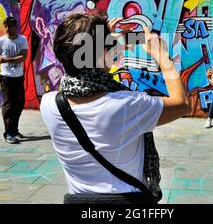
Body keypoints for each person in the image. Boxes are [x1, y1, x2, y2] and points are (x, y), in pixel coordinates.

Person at [40, 13, 190, 203]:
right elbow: (183, 103)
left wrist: (105, 45)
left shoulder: (49, 104)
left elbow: (84, 67)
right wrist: (162, 56)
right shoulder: (127, 105)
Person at [29, 0, 87, 94]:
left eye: (83, 21)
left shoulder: (87, 60)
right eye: (67, 23)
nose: (79, 29)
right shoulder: (35, 73)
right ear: (41, 27)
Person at [0, 17, 29, 144]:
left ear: (15, 27)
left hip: (18, 77)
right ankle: (8, 133)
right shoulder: (1, 41)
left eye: (10, 26)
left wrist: (7, 60)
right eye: (6, 26)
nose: (8, 29)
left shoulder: (23, 40)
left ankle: (14, 129)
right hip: (6, 77)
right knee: (8, 105)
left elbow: (23, 57)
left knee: (19, 103)